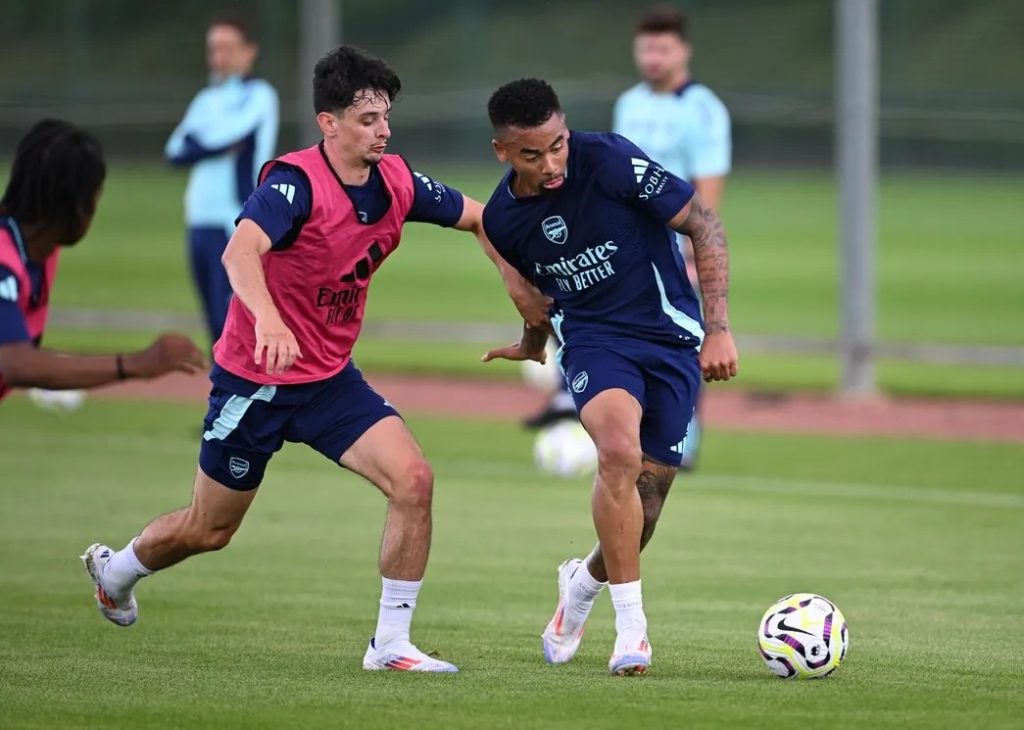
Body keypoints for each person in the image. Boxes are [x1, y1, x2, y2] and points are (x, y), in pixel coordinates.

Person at [81, 46, 543, 674]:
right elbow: (239, 254)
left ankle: (390, 645)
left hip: (328, 382)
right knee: (208, 531)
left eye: (386, 117)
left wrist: (514, 280)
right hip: (256, 382)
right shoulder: (293, 183)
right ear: (328, 123)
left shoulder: (397, 181)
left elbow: (481, 218)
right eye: (366, 119)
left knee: (414, 481)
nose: (382, 130)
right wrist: (268, 318)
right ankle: (117, 571)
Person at [480, 79, 738, 675]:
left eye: (558, 146)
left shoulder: (612, 159)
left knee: (643, 511)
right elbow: (539, 299)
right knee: (618, 455)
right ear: (502, 152)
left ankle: (581, 586)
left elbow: (705, 224)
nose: (551, 165)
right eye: (531, 154)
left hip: (672, 338)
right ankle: (633, 633)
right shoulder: (503, 221)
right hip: (596, 344)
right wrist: (531, 343)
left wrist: (718, 327)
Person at [522, 5, 731, 473]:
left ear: (684, 51)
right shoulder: (630, 103)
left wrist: (696, 251)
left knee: (682, 334)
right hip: (620, 243)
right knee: (606, 324)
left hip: (674, 242)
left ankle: (683, 438)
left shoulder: (704, 110)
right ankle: (590, 409)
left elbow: (708, 187)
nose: (653, 56)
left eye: (663, 47)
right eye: (646, 47)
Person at [0, 119, 206, 402]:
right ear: (73, 203)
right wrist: (137, 363)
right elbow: (16, 364)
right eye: (94, 197)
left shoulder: (39, 251)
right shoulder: (5, 259)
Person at [165, 11, 279, 346]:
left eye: (228, 48)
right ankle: (224, 397)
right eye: (214, 48)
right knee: (214, 323)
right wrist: (210, 145)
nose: (220, 56)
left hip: (236, 219)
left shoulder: (259, 95)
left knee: (234, 323)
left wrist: (199, 143)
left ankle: (254, 396)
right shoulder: (205, 99)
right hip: (198, 218)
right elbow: (174, 151)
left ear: (249, 51)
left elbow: (221, 137)